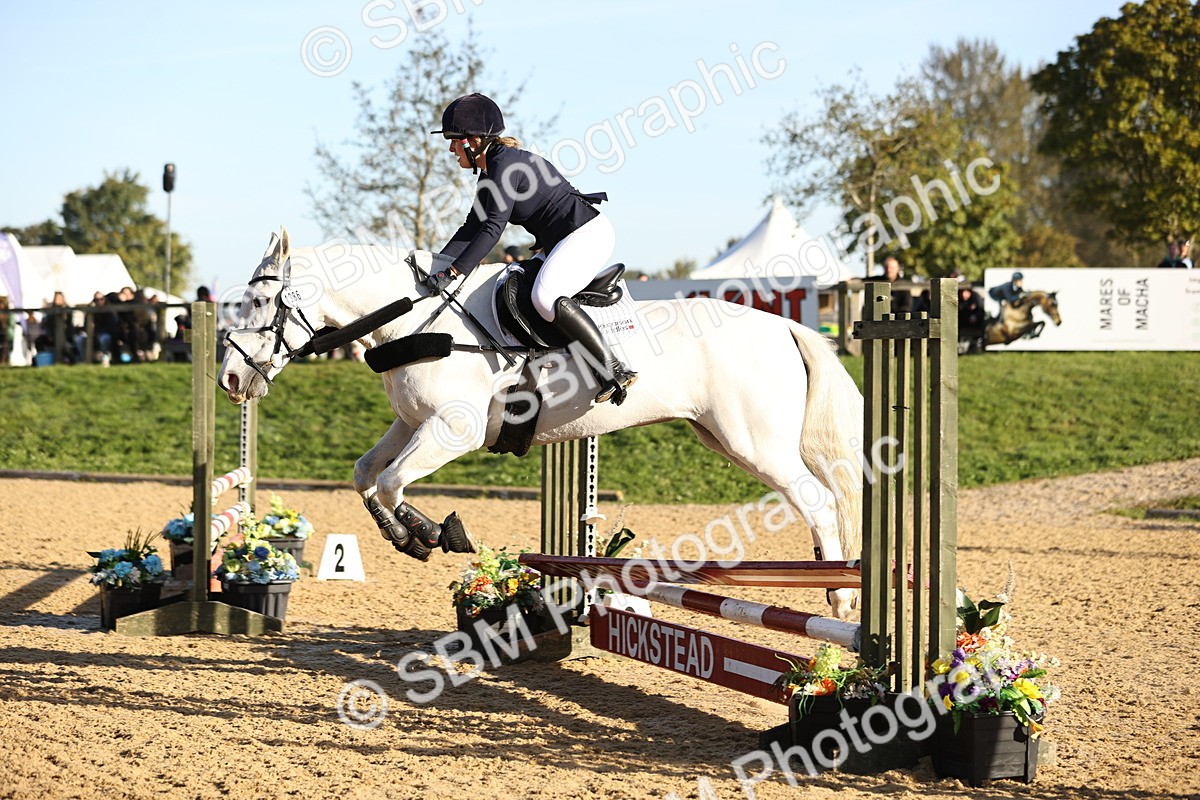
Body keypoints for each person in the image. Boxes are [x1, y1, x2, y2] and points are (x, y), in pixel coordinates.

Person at [429, 92, 636, 404]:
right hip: (563, 239)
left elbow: (492, 229)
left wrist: (455, 271)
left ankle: (613, 367)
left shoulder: (504, 165)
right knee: (514, 284)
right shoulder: (491, 171)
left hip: (586, 234)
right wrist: (437, 264)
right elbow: (471, 227)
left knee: (544, 297)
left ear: (473, 140)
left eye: (454, 140)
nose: (450, 148)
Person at [957, 282, 987, 351]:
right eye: (962, 292)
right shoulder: (958, 299)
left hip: (975, 323)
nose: (964, 295)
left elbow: (981, 310)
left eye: (966, 292)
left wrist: (975, 316)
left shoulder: (975, 297)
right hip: (962, 322)